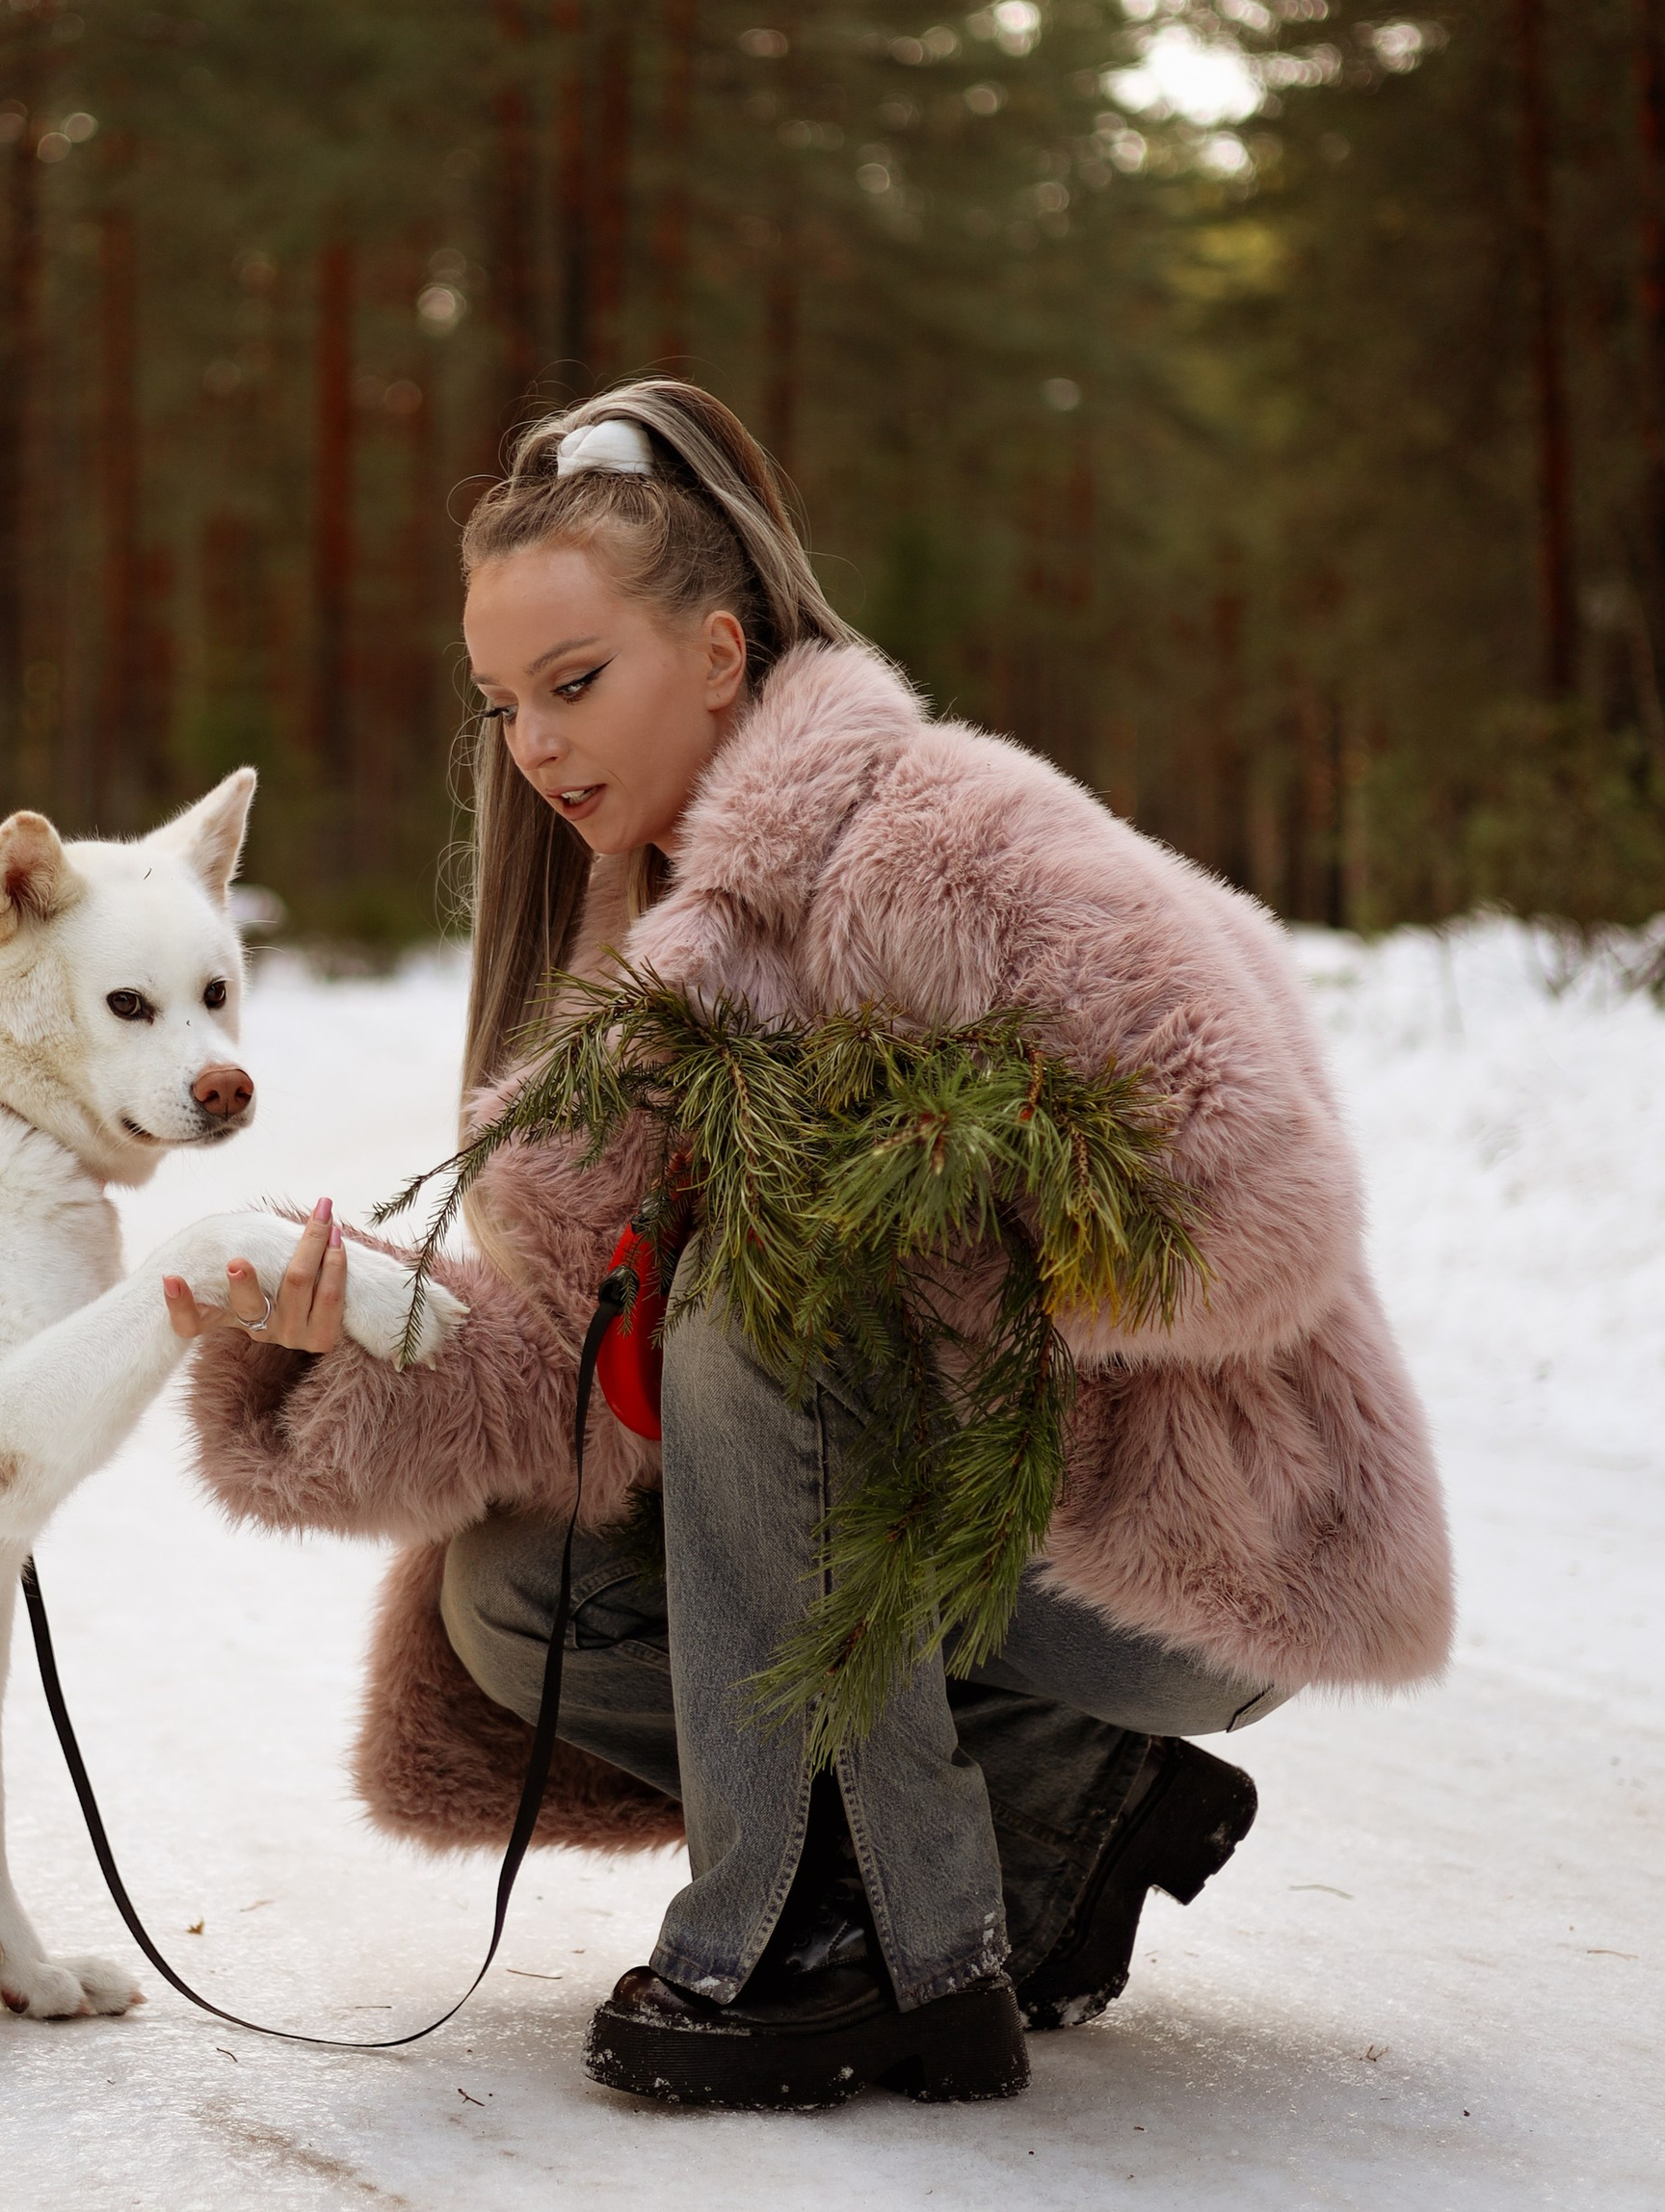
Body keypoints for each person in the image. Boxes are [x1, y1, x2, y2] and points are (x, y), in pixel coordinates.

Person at [164, 382, 1450, 2110]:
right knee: (519, 1604)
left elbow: (1266, 1203)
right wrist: (349, 1338)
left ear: (715, 650)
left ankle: (842, 1939)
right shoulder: (650, 956)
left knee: (769, 1299)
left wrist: (905, 1204)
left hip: (1168, 1540)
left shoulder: (949, 836)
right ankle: (1056, 1817)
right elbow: (588, 1366)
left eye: (573, 683)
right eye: (501, 706)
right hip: (911, 1528)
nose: (534, 746)